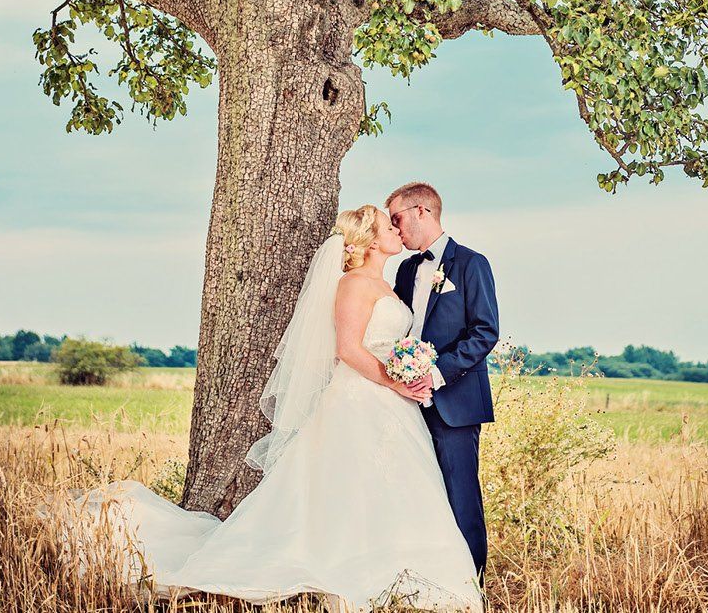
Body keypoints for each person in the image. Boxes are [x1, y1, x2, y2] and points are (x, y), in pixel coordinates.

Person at [73, 204, 484, 611]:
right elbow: (346, 349)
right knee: (353, 484)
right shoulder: (353, 284)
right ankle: (353, 567)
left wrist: (408, 370)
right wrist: (394, 379)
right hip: (361, 398)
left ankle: (408, 569)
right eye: (388, 224)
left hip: (393, 404)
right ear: (371, 240)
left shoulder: (390, 283)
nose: (397, 229)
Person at [387, 180, 499, 578]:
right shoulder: (404, 269)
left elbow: (485, 332)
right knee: (417, 492)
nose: (394, 228)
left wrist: (434, 375)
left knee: (460, 495)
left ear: (423, 211)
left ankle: (472, 583)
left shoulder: (471, 264)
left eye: (397, 218)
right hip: (403, 401)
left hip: (455, 401)